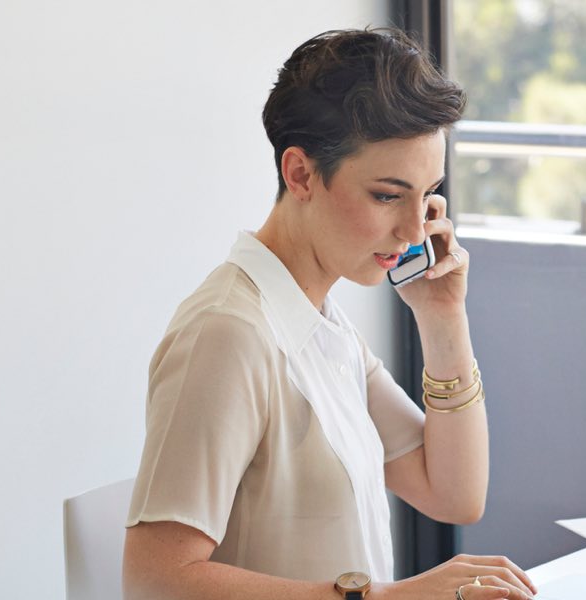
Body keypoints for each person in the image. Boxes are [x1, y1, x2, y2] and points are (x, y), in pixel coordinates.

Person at [121, 28, 537, 600]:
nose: (416, 231)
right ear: (300, 175)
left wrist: (443, 318)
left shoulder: (321, 324)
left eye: (428, 194)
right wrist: (386, 598)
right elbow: (153, 580)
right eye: (388, 195)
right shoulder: (227, 334)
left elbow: (453, 493)